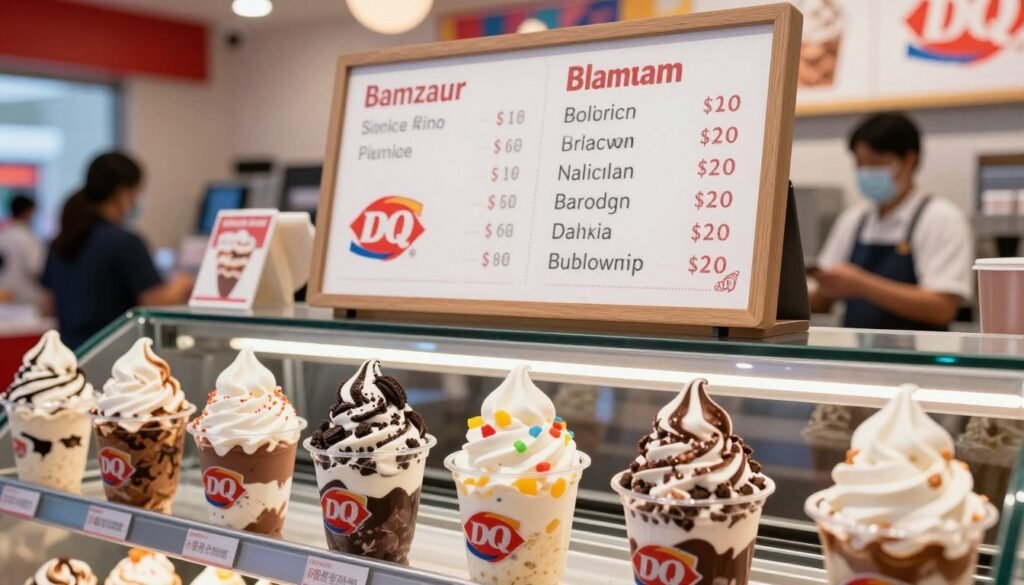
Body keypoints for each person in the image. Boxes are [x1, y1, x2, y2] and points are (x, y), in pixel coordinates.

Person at [809, 112, 973, 331]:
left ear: (909, 161)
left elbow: (942, 308)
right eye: (859, 163)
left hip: (920, 361)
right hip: (855, 359)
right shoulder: (854, 220)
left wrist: (862, 285)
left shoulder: (942, 219)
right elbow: (822, 300)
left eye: (875, 163)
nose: (865, 172)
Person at [42, 152, 193, 348]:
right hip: (113, 358)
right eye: (136, 193)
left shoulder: (62, 241)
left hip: (71, 355)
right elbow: (154, 301)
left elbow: (47, 306)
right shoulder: (124, 242)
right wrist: (182, 285)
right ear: (122, 192)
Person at [0, 194, 45, 308]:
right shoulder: (27, 238)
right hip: (25, 299)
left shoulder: (3, 235)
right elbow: (37, 268)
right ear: (27, 212)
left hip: (5, 295)